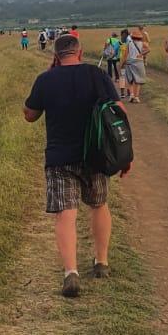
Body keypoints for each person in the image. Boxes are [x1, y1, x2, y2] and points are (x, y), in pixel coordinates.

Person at [23, 32, 128, 295]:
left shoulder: (45, 80)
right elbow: (119, 113)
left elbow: (30, 115)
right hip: (95, 155)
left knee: (65, 214)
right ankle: (101, 262)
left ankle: (71, 272)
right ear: (79, 53)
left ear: (55, 57)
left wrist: (49, 79)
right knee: (99, 206)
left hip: (59, 158)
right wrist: (126, 154)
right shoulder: (96, 75)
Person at [124, 27, 147, 103]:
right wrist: (141, 54)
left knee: (130, 79)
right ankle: (136, 97)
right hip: (139, 62)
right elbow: (149, 49)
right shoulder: (142, 43)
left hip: (130, 61)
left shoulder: (129, 44)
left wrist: (122, 63)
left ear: (132, 37)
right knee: (138, 80)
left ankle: (131, 95)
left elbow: (125, 55)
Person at [117, 28, 130, 98]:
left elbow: (115, 52)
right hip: (129, 62)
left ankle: (122, 93)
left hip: (122, 62)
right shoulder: (131, 43)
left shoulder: (119, 43)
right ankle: (129, 92)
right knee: (129, 78)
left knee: (122, 77)